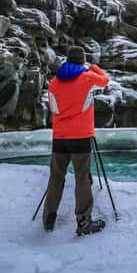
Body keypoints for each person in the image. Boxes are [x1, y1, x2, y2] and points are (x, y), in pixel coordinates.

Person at [43, 46, 109, 236]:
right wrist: (93, 67)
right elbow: (105, 81)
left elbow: (54, 107)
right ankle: (83, 222)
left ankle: (49, 218)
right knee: (82, 178)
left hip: (59, 137)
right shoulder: (87, 78)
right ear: (82, 61)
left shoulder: (54, 82)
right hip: (80, 136)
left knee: (56, 176)